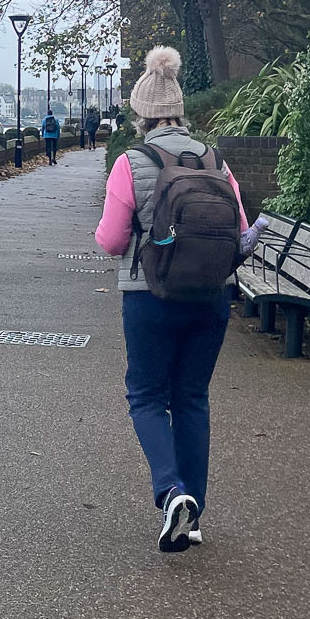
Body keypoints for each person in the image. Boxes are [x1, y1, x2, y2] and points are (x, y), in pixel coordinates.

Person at [94, 45, 261, 554]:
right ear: (182, 111)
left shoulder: (132, 161)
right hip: (212, 294)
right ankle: (195, 513)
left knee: (146, 396)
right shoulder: (215, 159)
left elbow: (110, 239)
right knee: (192, 397)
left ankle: (172, 492)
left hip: (150, 295)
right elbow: (237, 228)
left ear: (141, 114)